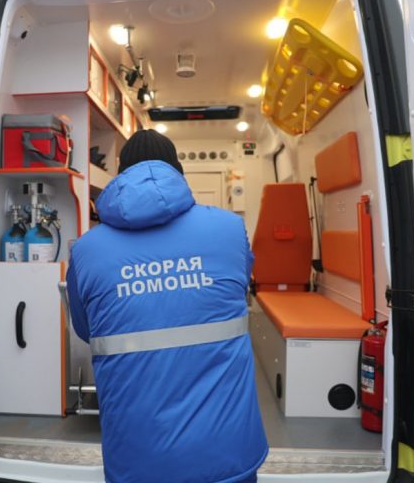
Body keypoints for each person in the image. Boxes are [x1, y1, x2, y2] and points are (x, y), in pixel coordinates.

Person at [67, 130, 268, 483]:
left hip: (138, 460)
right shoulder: (229, 229)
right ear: (178, 172)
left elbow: (86, 330)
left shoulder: (85, 250)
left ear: (120, 175)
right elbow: (239, 291)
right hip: (228, 452)